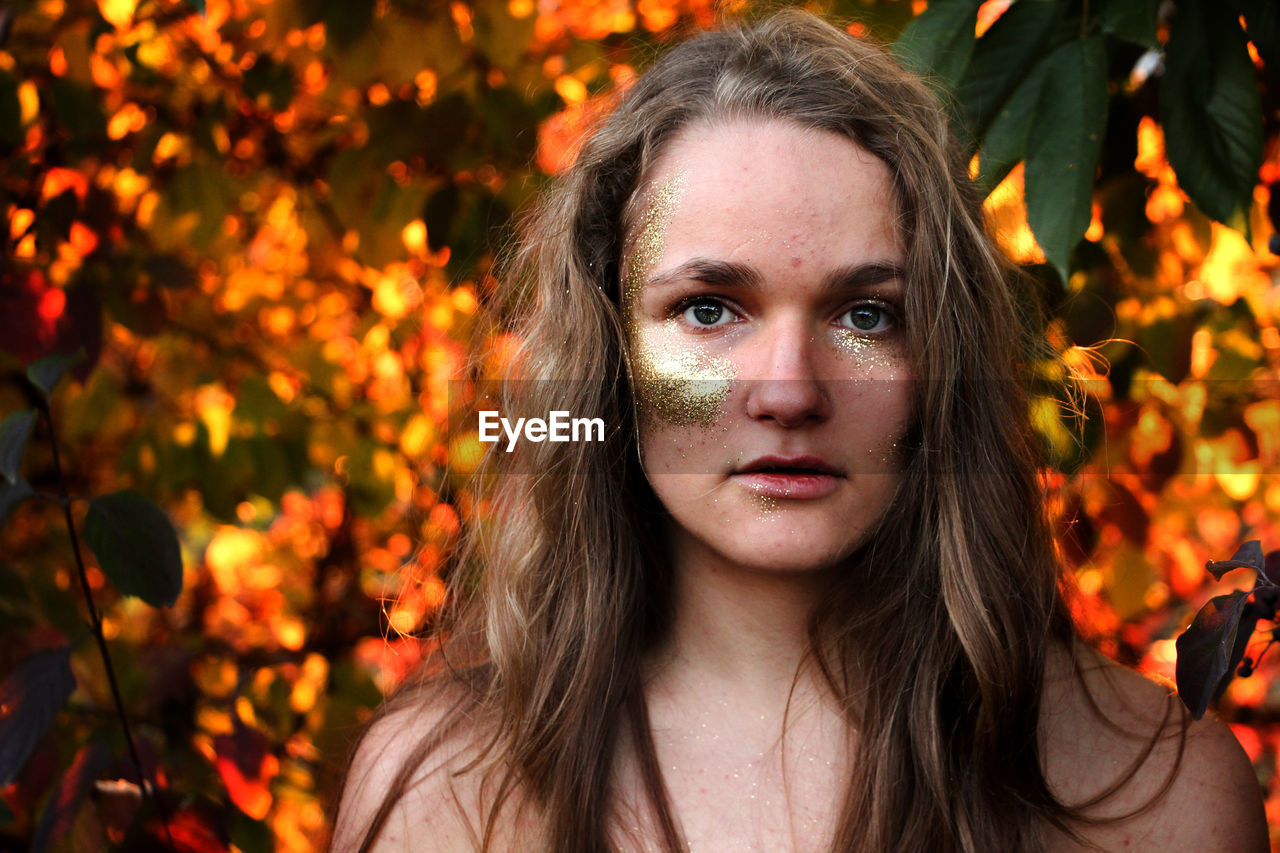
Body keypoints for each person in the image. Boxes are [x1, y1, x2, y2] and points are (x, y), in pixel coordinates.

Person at [329, 9, 1268, 852]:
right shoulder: (439, 794)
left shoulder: (1160, 795)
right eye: (708, 310)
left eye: (865, 315)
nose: (788, 392)